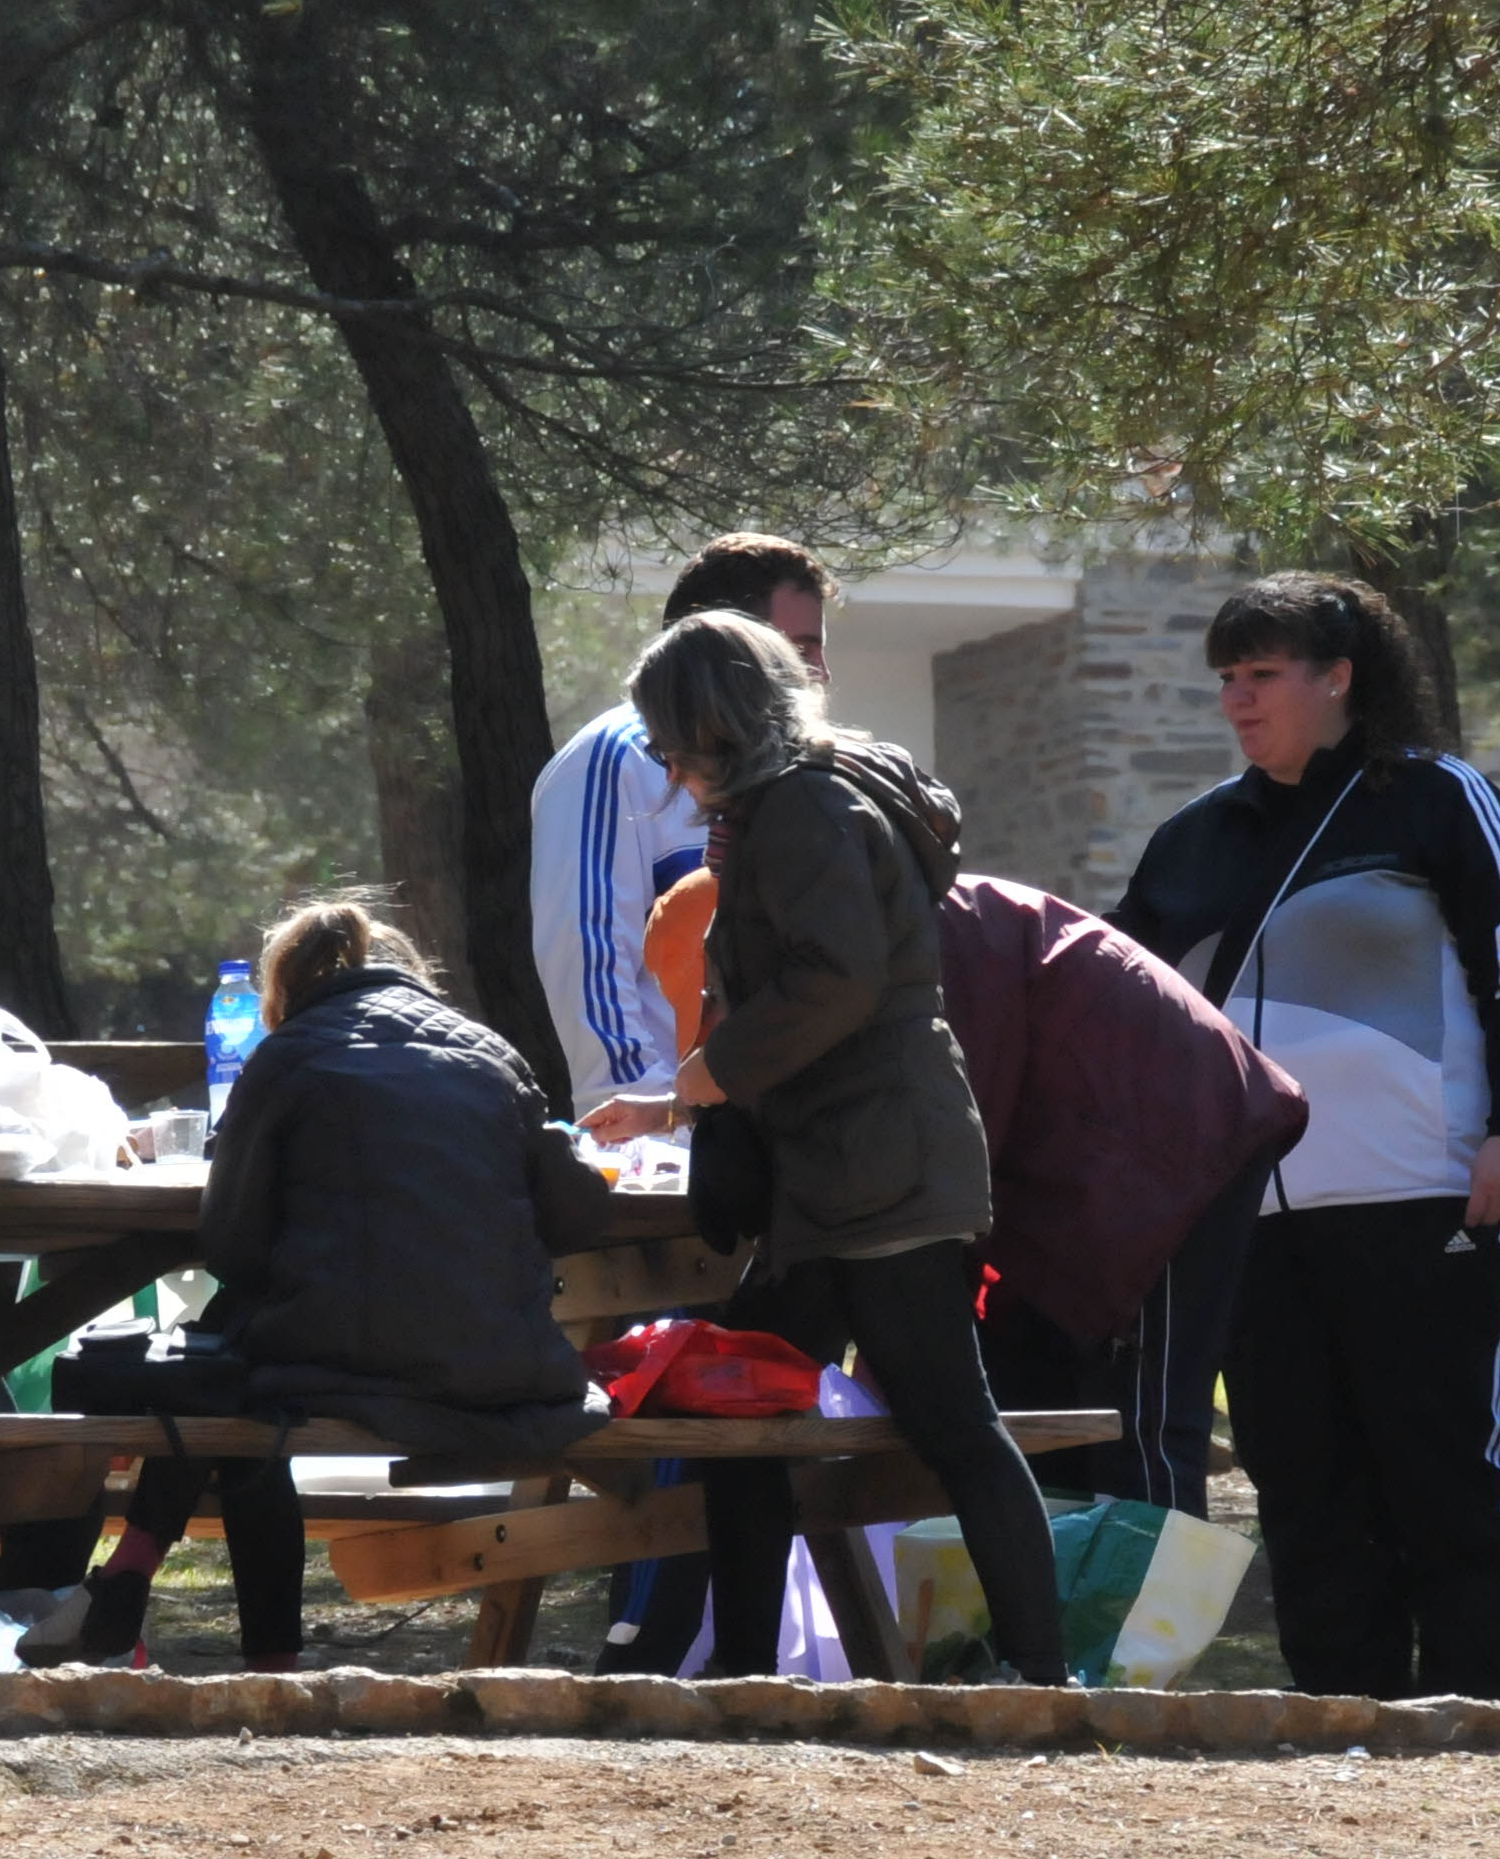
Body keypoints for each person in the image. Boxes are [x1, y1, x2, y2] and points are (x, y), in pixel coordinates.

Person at [582, 613, 1067, 1687]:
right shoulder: (793, 801)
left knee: (952, 1422)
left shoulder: (801, 805)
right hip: (850, 1165)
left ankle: (1040, 1673)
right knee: (740, 1396)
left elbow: (833, 982)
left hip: (877, 1167)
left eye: (669, 738)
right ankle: (748, 1668)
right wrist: (673, 1106)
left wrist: (701, 1079)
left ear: (706, 724)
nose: (664, 762)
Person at [1108, 572, 1500, 1702]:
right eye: (1226, 678)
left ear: (1339, 678)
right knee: (1300, 1483)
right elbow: (1128, 1007)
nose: (1237, 700)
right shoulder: (1192, 838)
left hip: (1423, 1196)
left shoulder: (1440, 800)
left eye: (1262, 675)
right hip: (1251, 1223)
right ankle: (1339, 1714)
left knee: (1447, 1469)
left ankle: (1498, 1709)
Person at [56, 900, 610, 1671]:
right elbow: (578, 1215)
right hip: (501, 1362)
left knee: (227, 1362)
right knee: (236, 1367)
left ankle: (159, 1587)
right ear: (415, 976)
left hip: (349, 1360)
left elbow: (232, 1245)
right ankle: (160, 1592)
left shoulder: (289, 1057)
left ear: (282, 992)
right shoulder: (490, 1053)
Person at [941, 876, 1310, 1514]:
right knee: (1039, 1410)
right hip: (1075, 1175)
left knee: (1144, 1419)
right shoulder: (906, 923)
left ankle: (1145, 1614)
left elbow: (963, 1123)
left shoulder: (944, 926)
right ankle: (1049, 1609)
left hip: (1171, 1151)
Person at [529, 536, 835, 1115]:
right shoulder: (614, 759)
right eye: (800, 648)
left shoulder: (806, 775)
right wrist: (650, 1116)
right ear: (731, 646)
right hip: (681, 1136)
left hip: (799, 1134)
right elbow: (589, 948)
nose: (818, 672)